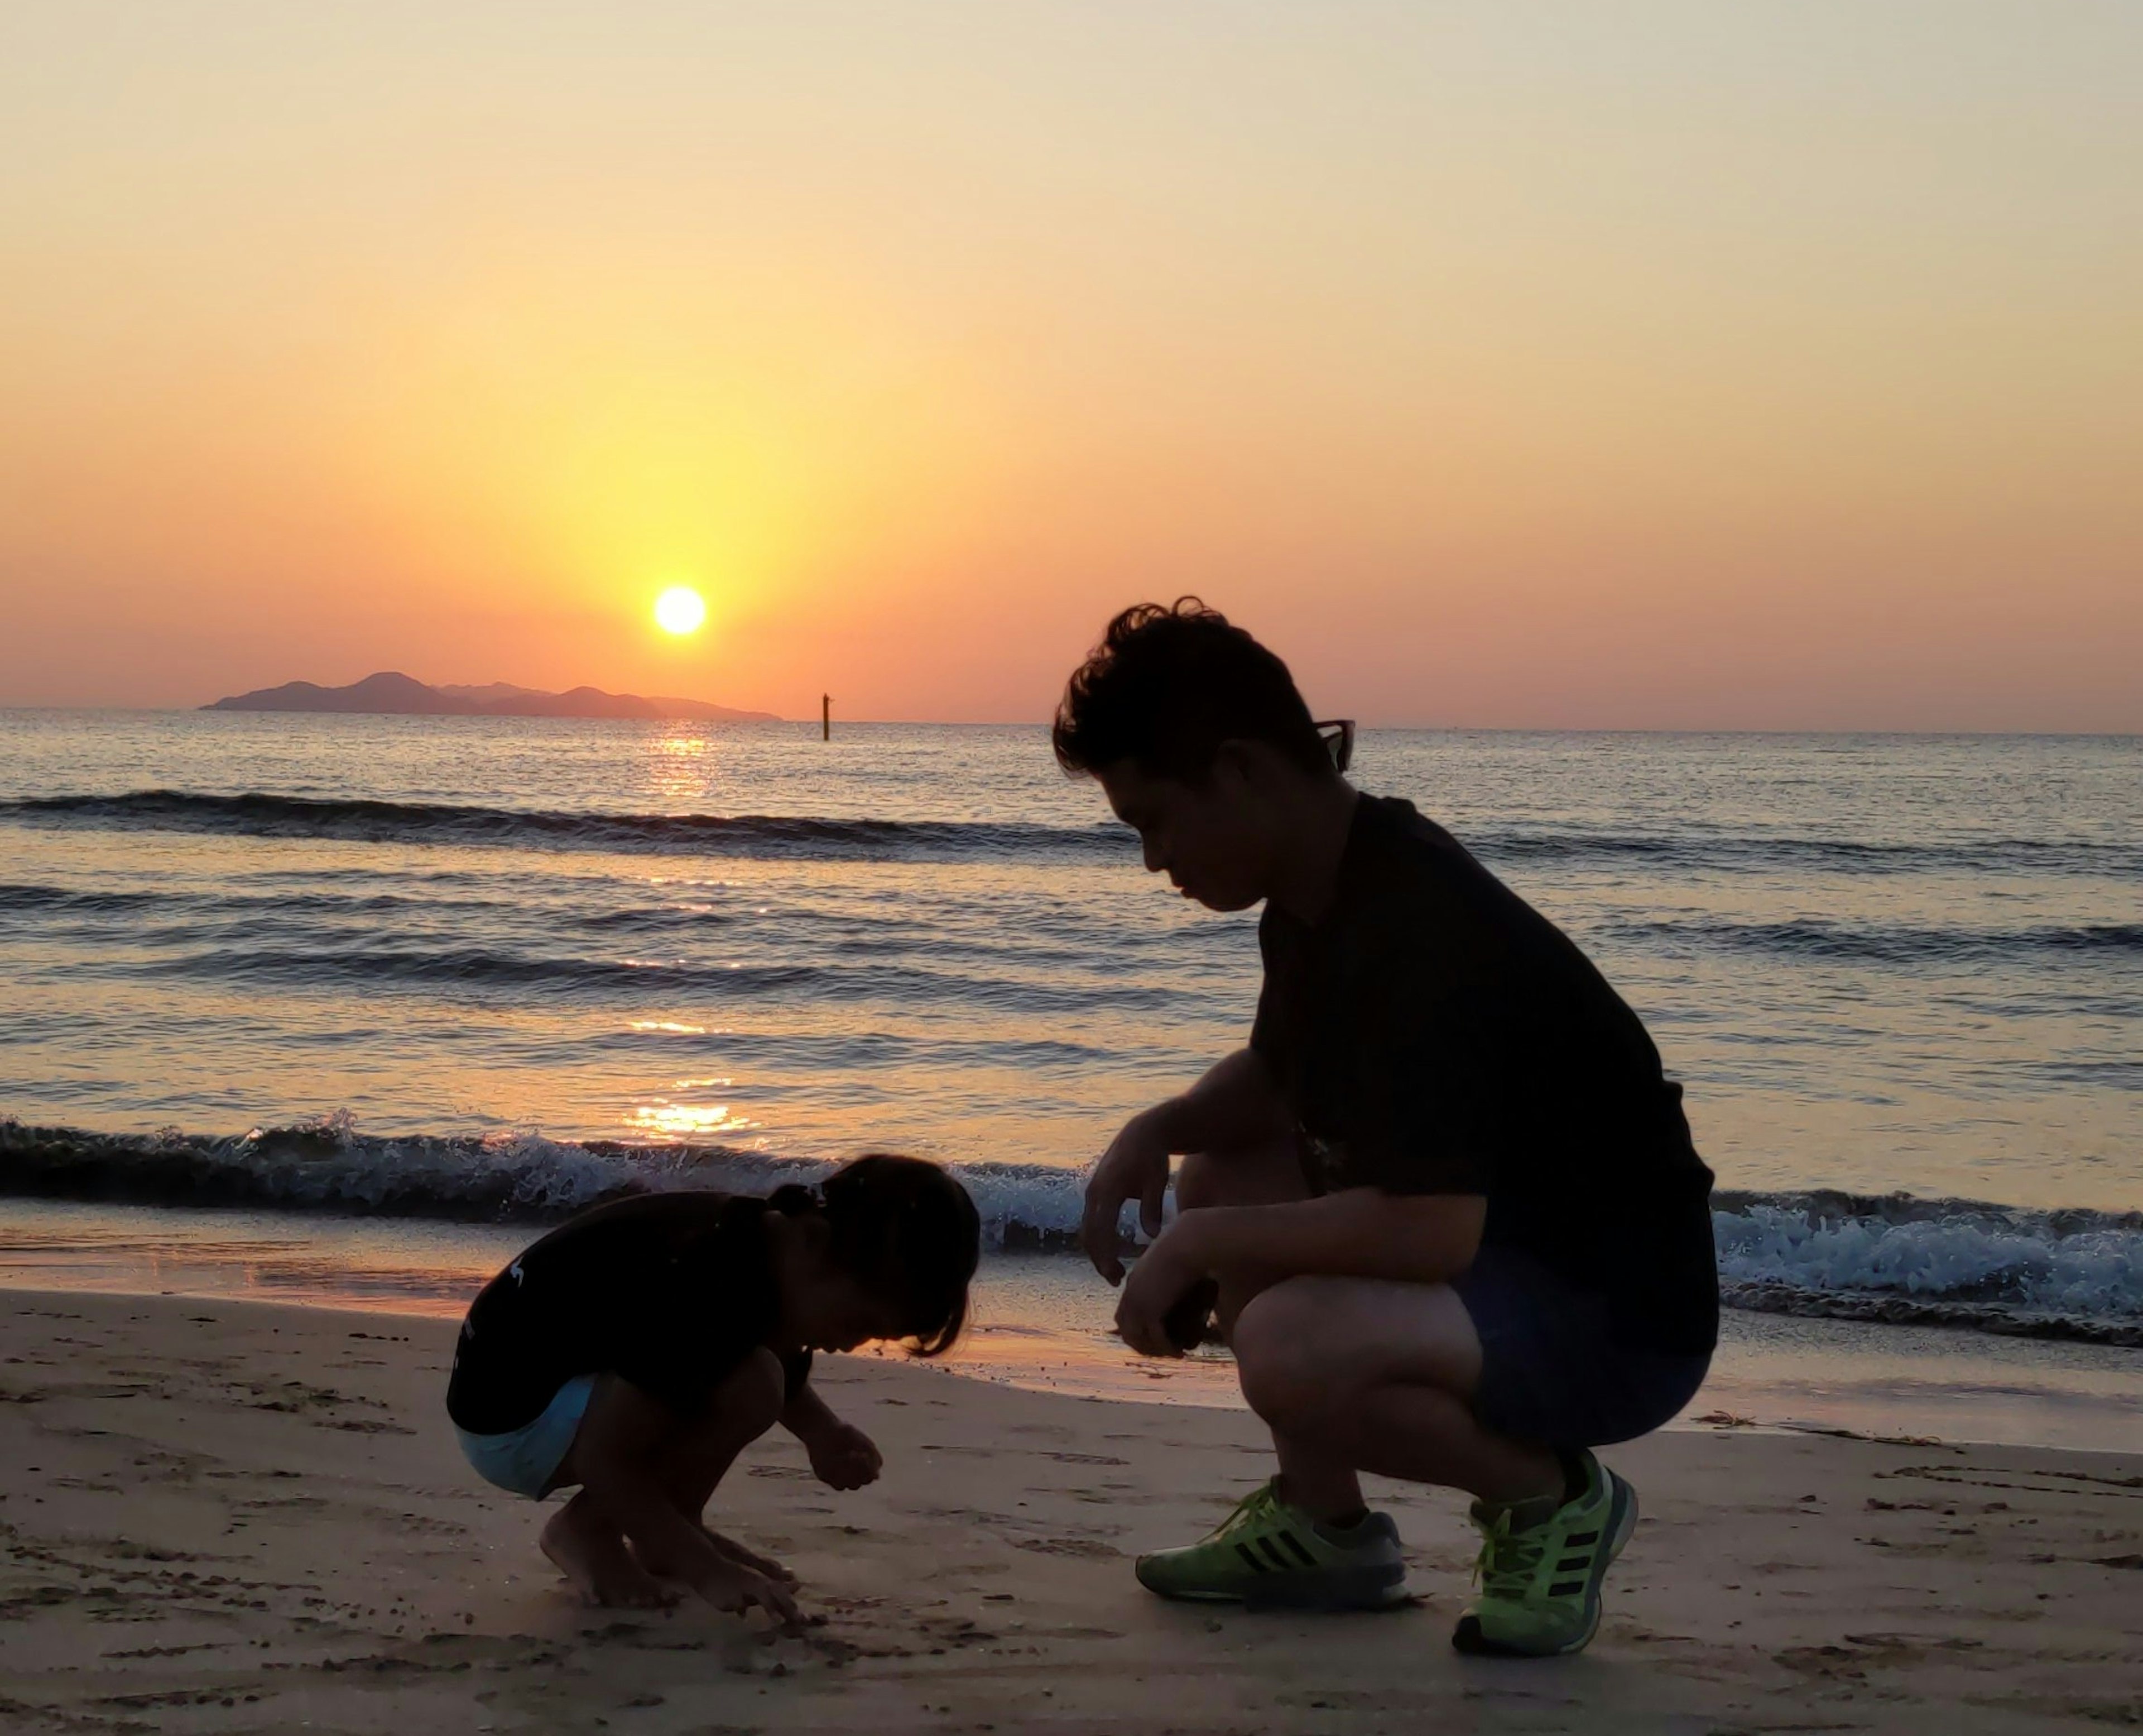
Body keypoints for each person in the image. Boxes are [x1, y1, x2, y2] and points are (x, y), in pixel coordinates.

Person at [1055, 602, 1716, 1655]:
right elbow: (1280, 1082)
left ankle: (1552, 1500)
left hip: (1613, 1316)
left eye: (1154, 820)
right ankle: (1326, 1530)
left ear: (1239, 772)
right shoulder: (1323, 890)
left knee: (1284, 1340)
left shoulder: (1418, 925)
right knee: (1223, 1172)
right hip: (1501, 1268)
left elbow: (1431, 1230)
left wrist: (1197, 1248)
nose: (1151, 861)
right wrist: (1160, 1125)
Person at [447, 1156, 979, 1617]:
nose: (852, 1345)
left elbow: (761, 1350)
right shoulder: (702, 1287)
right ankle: (588, 1532)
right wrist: (708, 1573)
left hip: (559, 1382)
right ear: (814, 1243)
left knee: (752, 1377)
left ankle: (669, 1531)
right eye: (856, 1323)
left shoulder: (763, 1242)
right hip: (511, 1417)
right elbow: (603, 1459)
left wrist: (822, 1430)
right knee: (750, 1384)